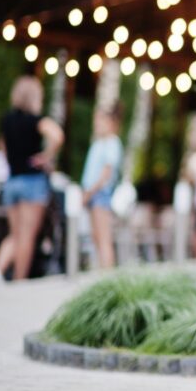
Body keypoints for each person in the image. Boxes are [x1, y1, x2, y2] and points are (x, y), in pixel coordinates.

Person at [0, 75, 64, 282]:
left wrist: (14, 159)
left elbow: (2, 146)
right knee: (27, 236)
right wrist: (46, 156)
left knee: (14, 234)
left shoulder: (7, 120)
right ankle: (19, 281)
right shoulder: (35, 121)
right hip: (32, 182)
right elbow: (57, 135)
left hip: (12, 182)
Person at [81, 104, 124, 270]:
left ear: (111, 123)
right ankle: (102, 269)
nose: (97, 124)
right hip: (92, 194)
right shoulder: (99, 143)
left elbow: (106, 173)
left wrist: (90, 192)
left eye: (100, 120)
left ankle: (107, 273)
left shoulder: (112, 143)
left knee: (103, 236)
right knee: (96, 236)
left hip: (100, 193)